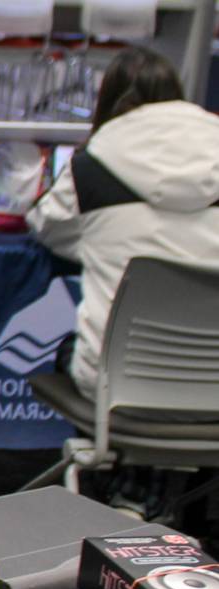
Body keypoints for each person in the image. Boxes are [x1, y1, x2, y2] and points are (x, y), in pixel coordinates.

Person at [27, 47, 219, 397]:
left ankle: (102, 448)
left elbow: (47, 228)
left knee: (70, 350)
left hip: (116, 386)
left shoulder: (90, 169)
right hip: (214, 386)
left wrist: (99, 237)